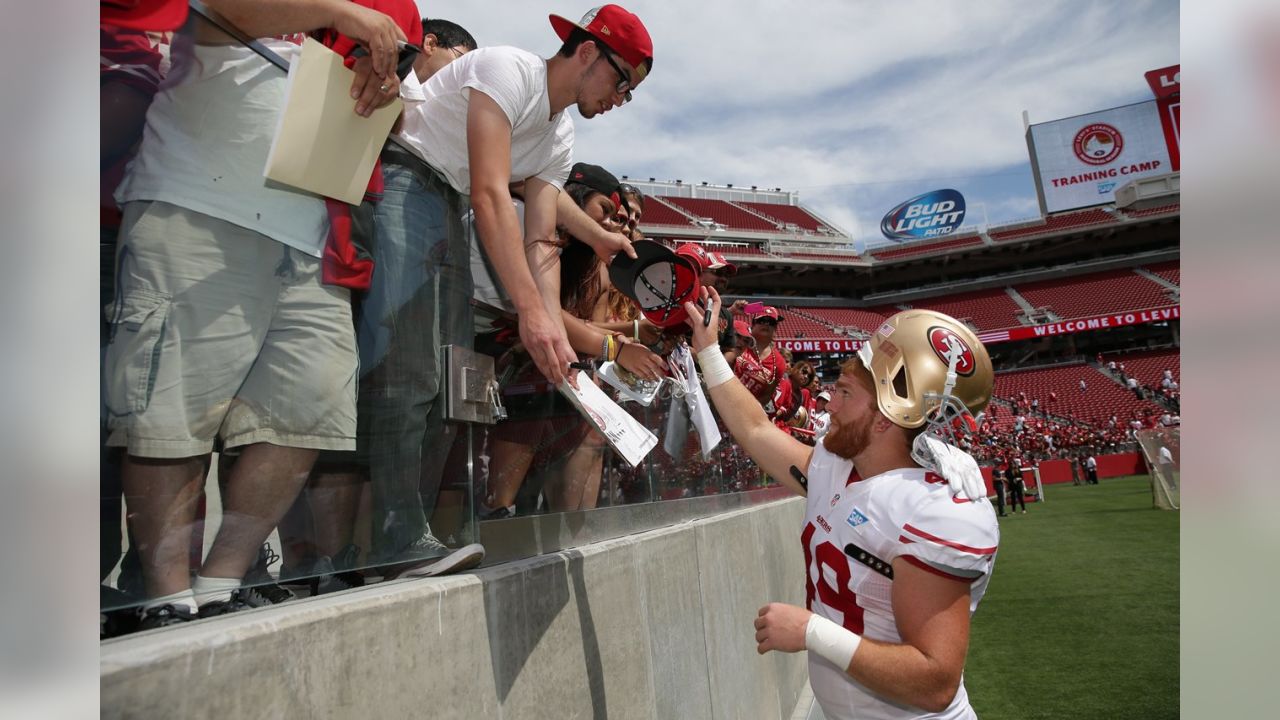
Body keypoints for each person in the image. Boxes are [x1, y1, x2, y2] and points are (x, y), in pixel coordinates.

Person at [104, 0, 411, 627]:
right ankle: (163, 597)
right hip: (199, 209)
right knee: (171, 412)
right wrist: (342, 14)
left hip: (310, 237)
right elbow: (217, 12)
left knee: (307, 416)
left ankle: (222, 580)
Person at [684, 292, 999, 720]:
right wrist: (707, 351)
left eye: (845, 393)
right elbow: (757, 430)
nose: (829, 405)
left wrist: (813, 632)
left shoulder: (932, 508)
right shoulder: (835, 465)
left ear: (889, 414)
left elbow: (935, 682)